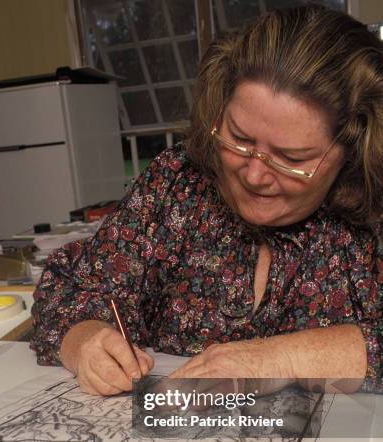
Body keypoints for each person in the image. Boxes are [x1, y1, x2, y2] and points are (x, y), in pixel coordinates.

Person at [30, 4, 382, 396]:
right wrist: (85, 340)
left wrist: (281, 360)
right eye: (239, 138)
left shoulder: (373, 213)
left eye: (292, 159)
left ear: (354, 148)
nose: (254, 175)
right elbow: (68, 289)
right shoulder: (177, 184)